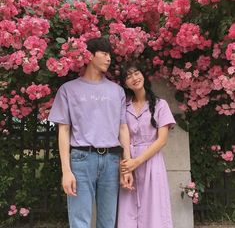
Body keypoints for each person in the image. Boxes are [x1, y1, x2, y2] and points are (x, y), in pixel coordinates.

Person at [48, 37, 133, 228]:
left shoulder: (117, 91)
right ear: (90, 56)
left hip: (111, 160)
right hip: (81, 159)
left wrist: (126, 164)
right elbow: (64, 130)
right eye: (104, 53)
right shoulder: (68, 90)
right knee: (80, 222)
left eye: (110, 54)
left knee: (108, 221)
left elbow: (122, 128)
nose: (108, 58)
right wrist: (66, 170)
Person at [117, 61, 176, 228]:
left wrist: (137, 162)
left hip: (151, 162)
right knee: (128, 212)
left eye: (136, 73)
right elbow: (123, 136)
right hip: (129, 160)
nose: (134, 78)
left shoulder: (160, 105)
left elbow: (162, 140)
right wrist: (127, 165)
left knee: (154, 211)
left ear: (143, 75)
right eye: (128, 76)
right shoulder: (124, 107)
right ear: (125, 83)